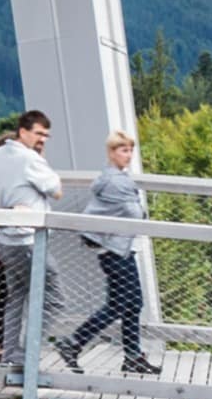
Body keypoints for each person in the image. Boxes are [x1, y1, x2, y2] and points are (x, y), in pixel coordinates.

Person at [56, 131, 155, 374]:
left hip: (117, 249)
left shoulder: (116, 178)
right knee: (121, 305)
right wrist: (142, 211)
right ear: (112, 153)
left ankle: (132, 356)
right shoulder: (116, 182)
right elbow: (135, 214)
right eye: (123, 150)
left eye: (130, 150)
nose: (128, 155)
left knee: (130, 304)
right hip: (116, 250)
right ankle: (73, 343)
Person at [0, 107, 60, 364]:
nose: (42, 139)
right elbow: (56, 190)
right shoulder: (29, 161)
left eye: (46, 135)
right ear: (24, 132)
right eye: (39, 133)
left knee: (13, 298)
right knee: (54, 299)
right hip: (25, 240)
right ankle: (25, 353)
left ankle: (8, 352)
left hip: (1, 241)